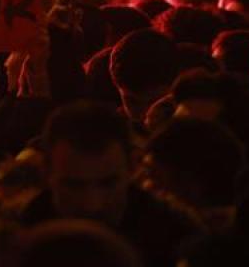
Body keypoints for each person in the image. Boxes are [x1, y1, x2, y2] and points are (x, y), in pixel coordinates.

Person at [19, 101, 201, 267]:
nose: (92, 205)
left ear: (133, 166)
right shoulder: (16, 240)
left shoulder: (177, 239)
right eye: (73, 186)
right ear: (45, 172)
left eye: (108, 184)